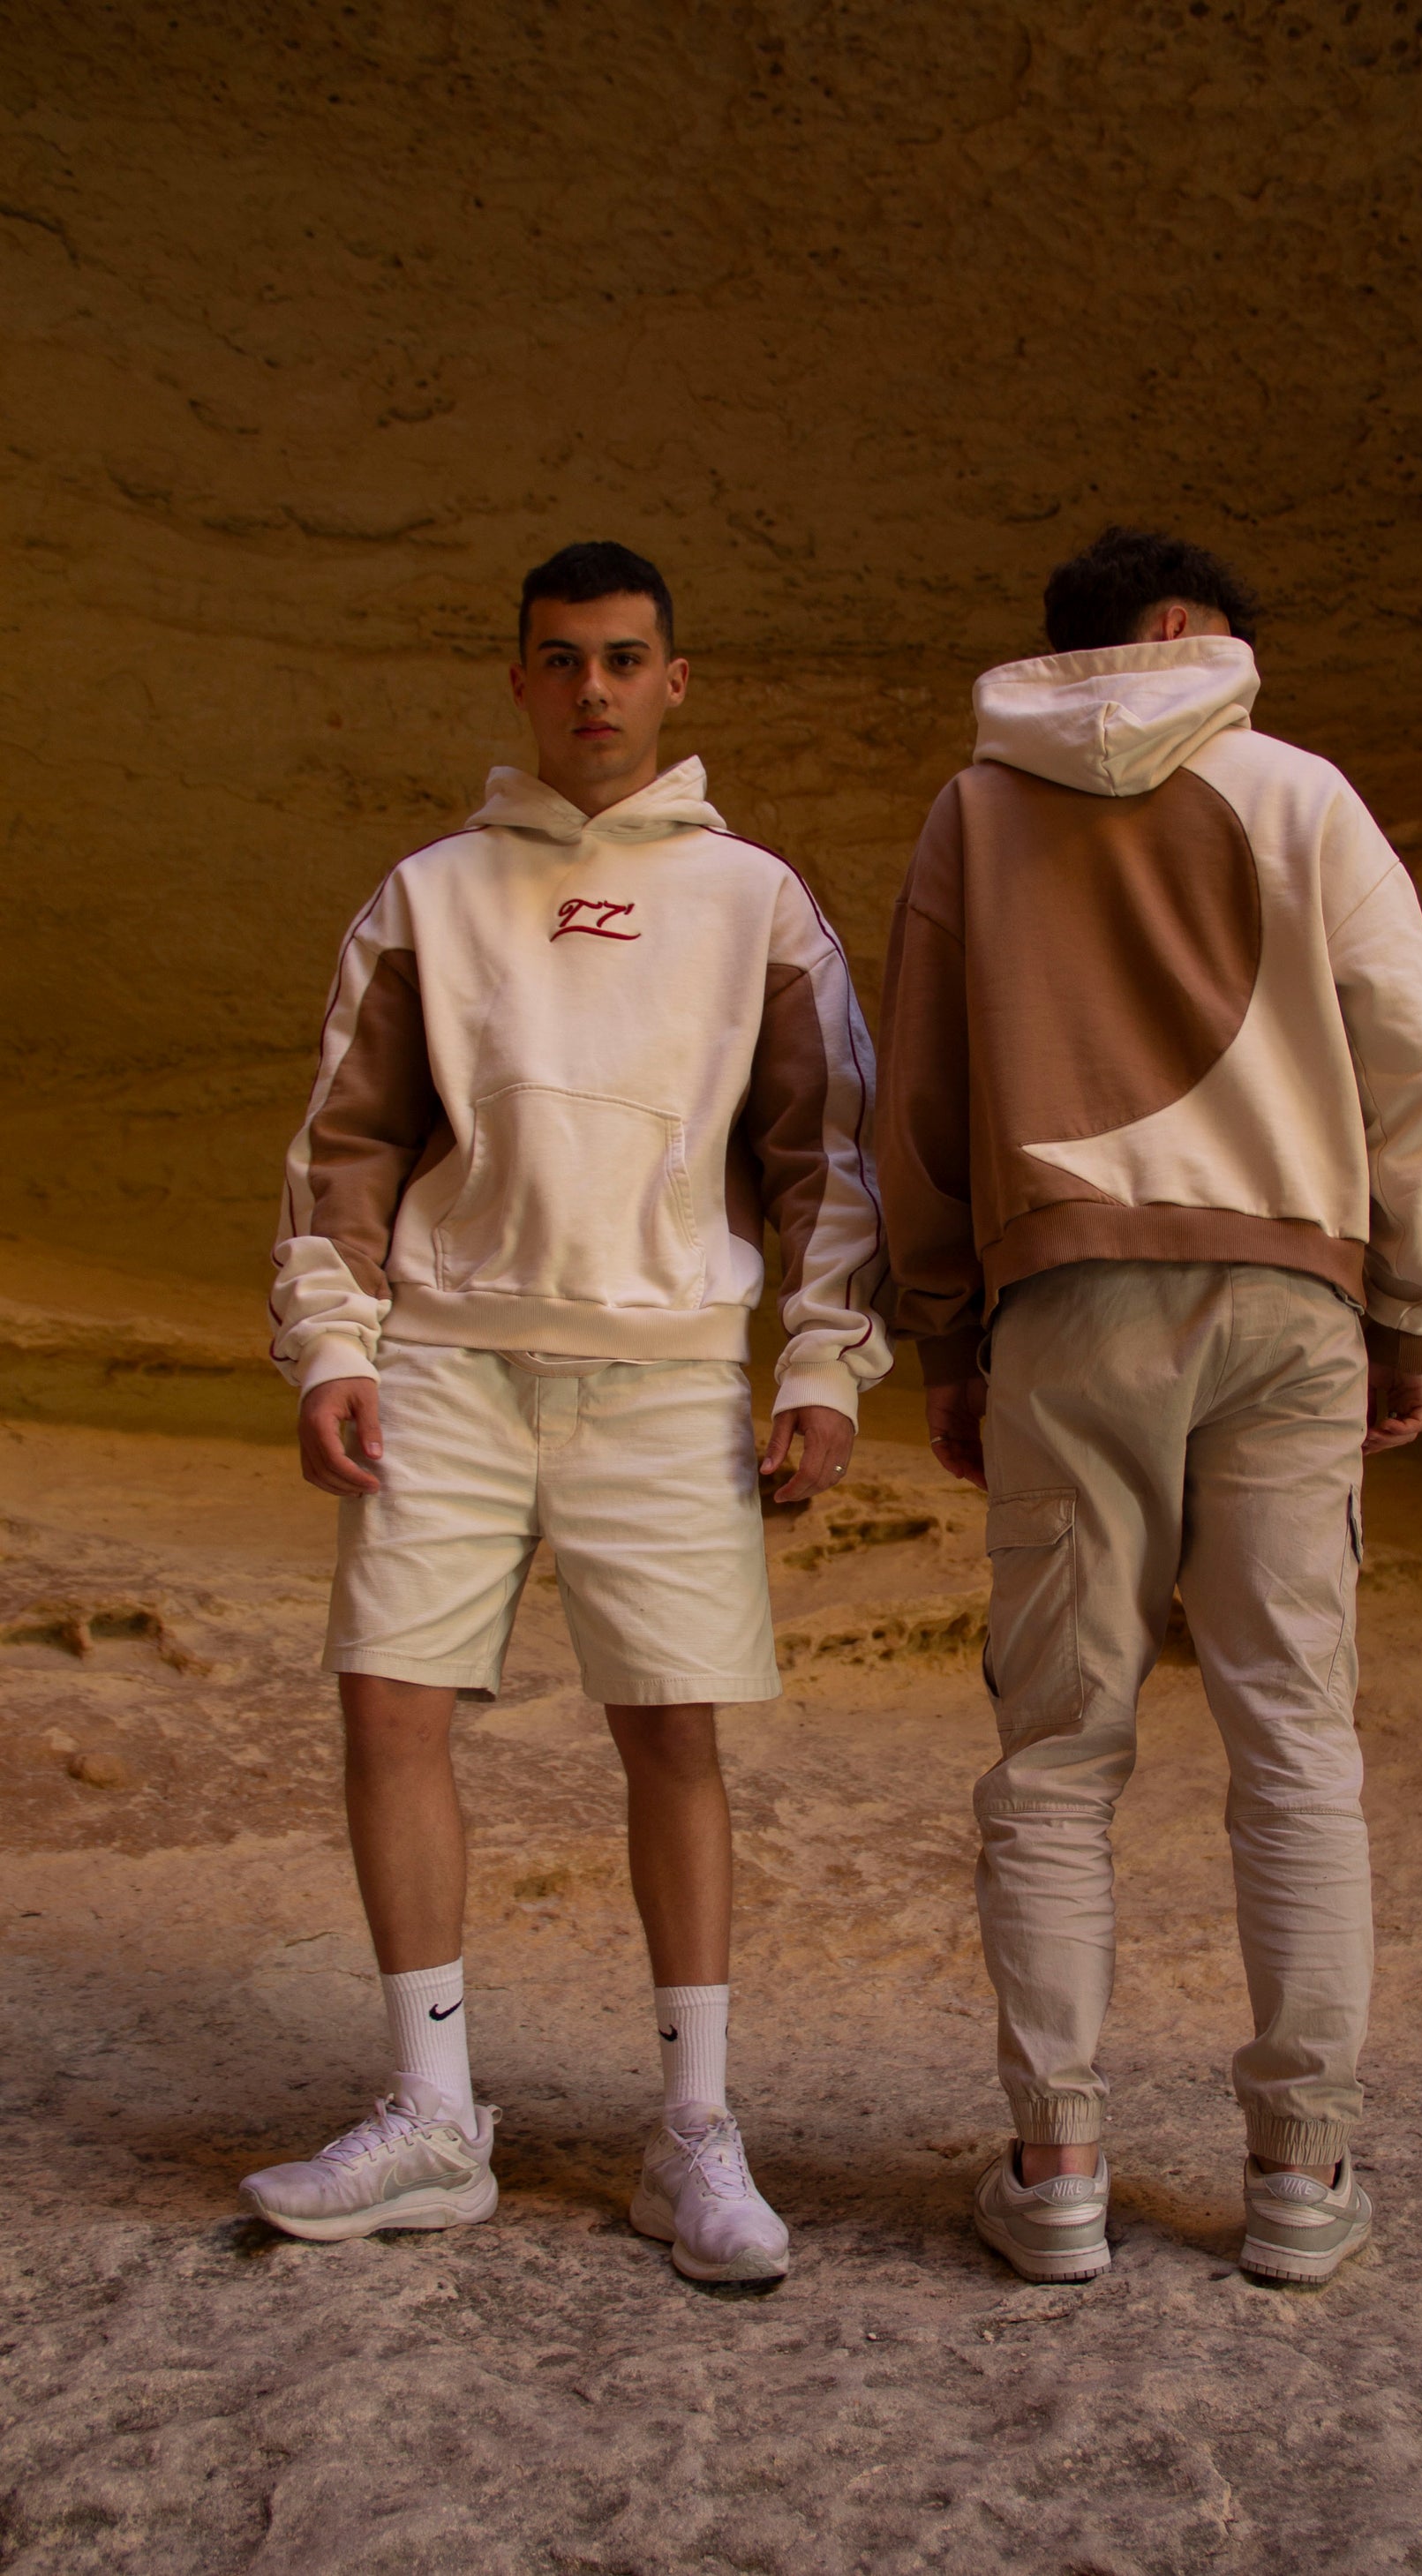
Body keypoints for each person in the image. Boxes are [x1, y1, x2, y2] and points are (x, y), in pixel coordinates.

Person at [244, 539, 888, 2279]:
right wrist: (337, 1346)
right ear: (519, 679)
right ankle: (432, 2117)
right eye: (560, 658)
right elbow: (348, 1141)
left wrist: (819, 1365)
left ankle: (693, 2134)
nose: (592, 689)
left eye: (622, 657)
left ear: (674, 680)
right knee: (390, 1703)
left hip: (668, 1365)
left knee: (672, 1732)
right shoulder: (430, 893)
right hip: (447, 1358)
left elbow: (822, 1152)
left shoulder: (754, 900)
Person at [877, 525, 1422, 2287]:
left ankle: (1057, 2168)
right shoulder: (1301, 792)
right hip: (1291, 1297)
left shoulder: (975, 812)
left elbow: (921, 1099)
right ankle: (1299, 2173)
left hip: (1066, 1307)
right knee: (1291, 1741)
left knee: (1057, 1757)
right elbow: (1407, 1056)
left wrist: (946, 1335)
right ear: (1198, 633)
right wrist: (1410, 1301)